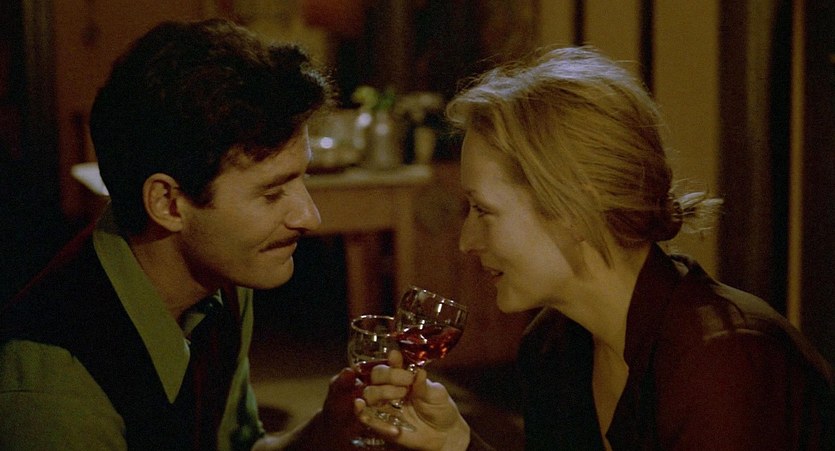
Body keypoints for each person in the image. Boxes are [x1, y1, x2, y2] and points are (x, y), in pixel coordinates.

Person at [356, 46, 835, 450]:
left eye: (483, 210)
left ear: (573, 207)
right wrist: (456, 444)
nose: (465, 241)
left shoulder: (722, 363)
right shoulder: (553, 345)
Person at [0, 18, 362, 450]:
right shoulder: (54, 382)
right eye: (271, 193)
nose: (310, 217)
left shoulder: (225, 280)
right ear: (168, 203)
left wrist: (328, 431)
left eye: (303, 178)